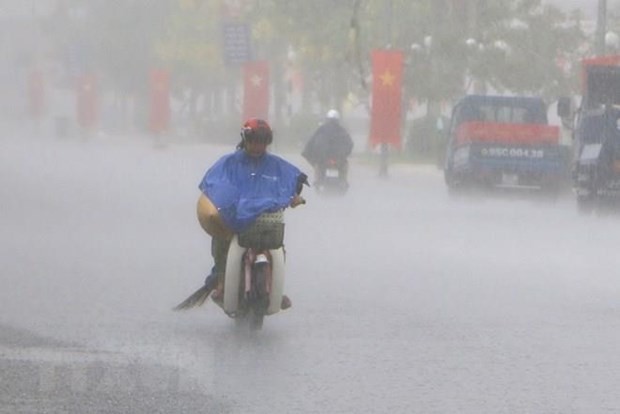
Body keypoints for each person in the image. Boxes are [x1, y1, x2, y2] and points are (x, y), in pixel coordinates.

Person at [188, 118, 307, 311]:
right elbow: (215, 186)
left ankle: (275, 286)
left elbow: (290, 184)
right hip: (235, 221)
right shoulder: (228, 164)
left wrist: (295, 198)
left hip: (266, 221)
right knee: (221, 244)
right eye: (255, 140)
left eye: (263, 141)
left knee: (279, 248)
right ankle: (221, 281)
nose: (258, 146)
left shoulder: (276, 166)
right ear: (245, 139)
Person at [302, 109, 354, 184]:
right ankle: (343, 180)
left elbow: (311, 142)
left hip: (323, 158)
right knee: (344, 165)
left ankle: (319, 180)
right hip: (336, 158)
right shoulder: (341, 130)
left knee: (317, 165)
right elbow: (350, 143)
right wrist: (345, 154)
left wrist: (308, 153)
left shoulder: (321, 129)